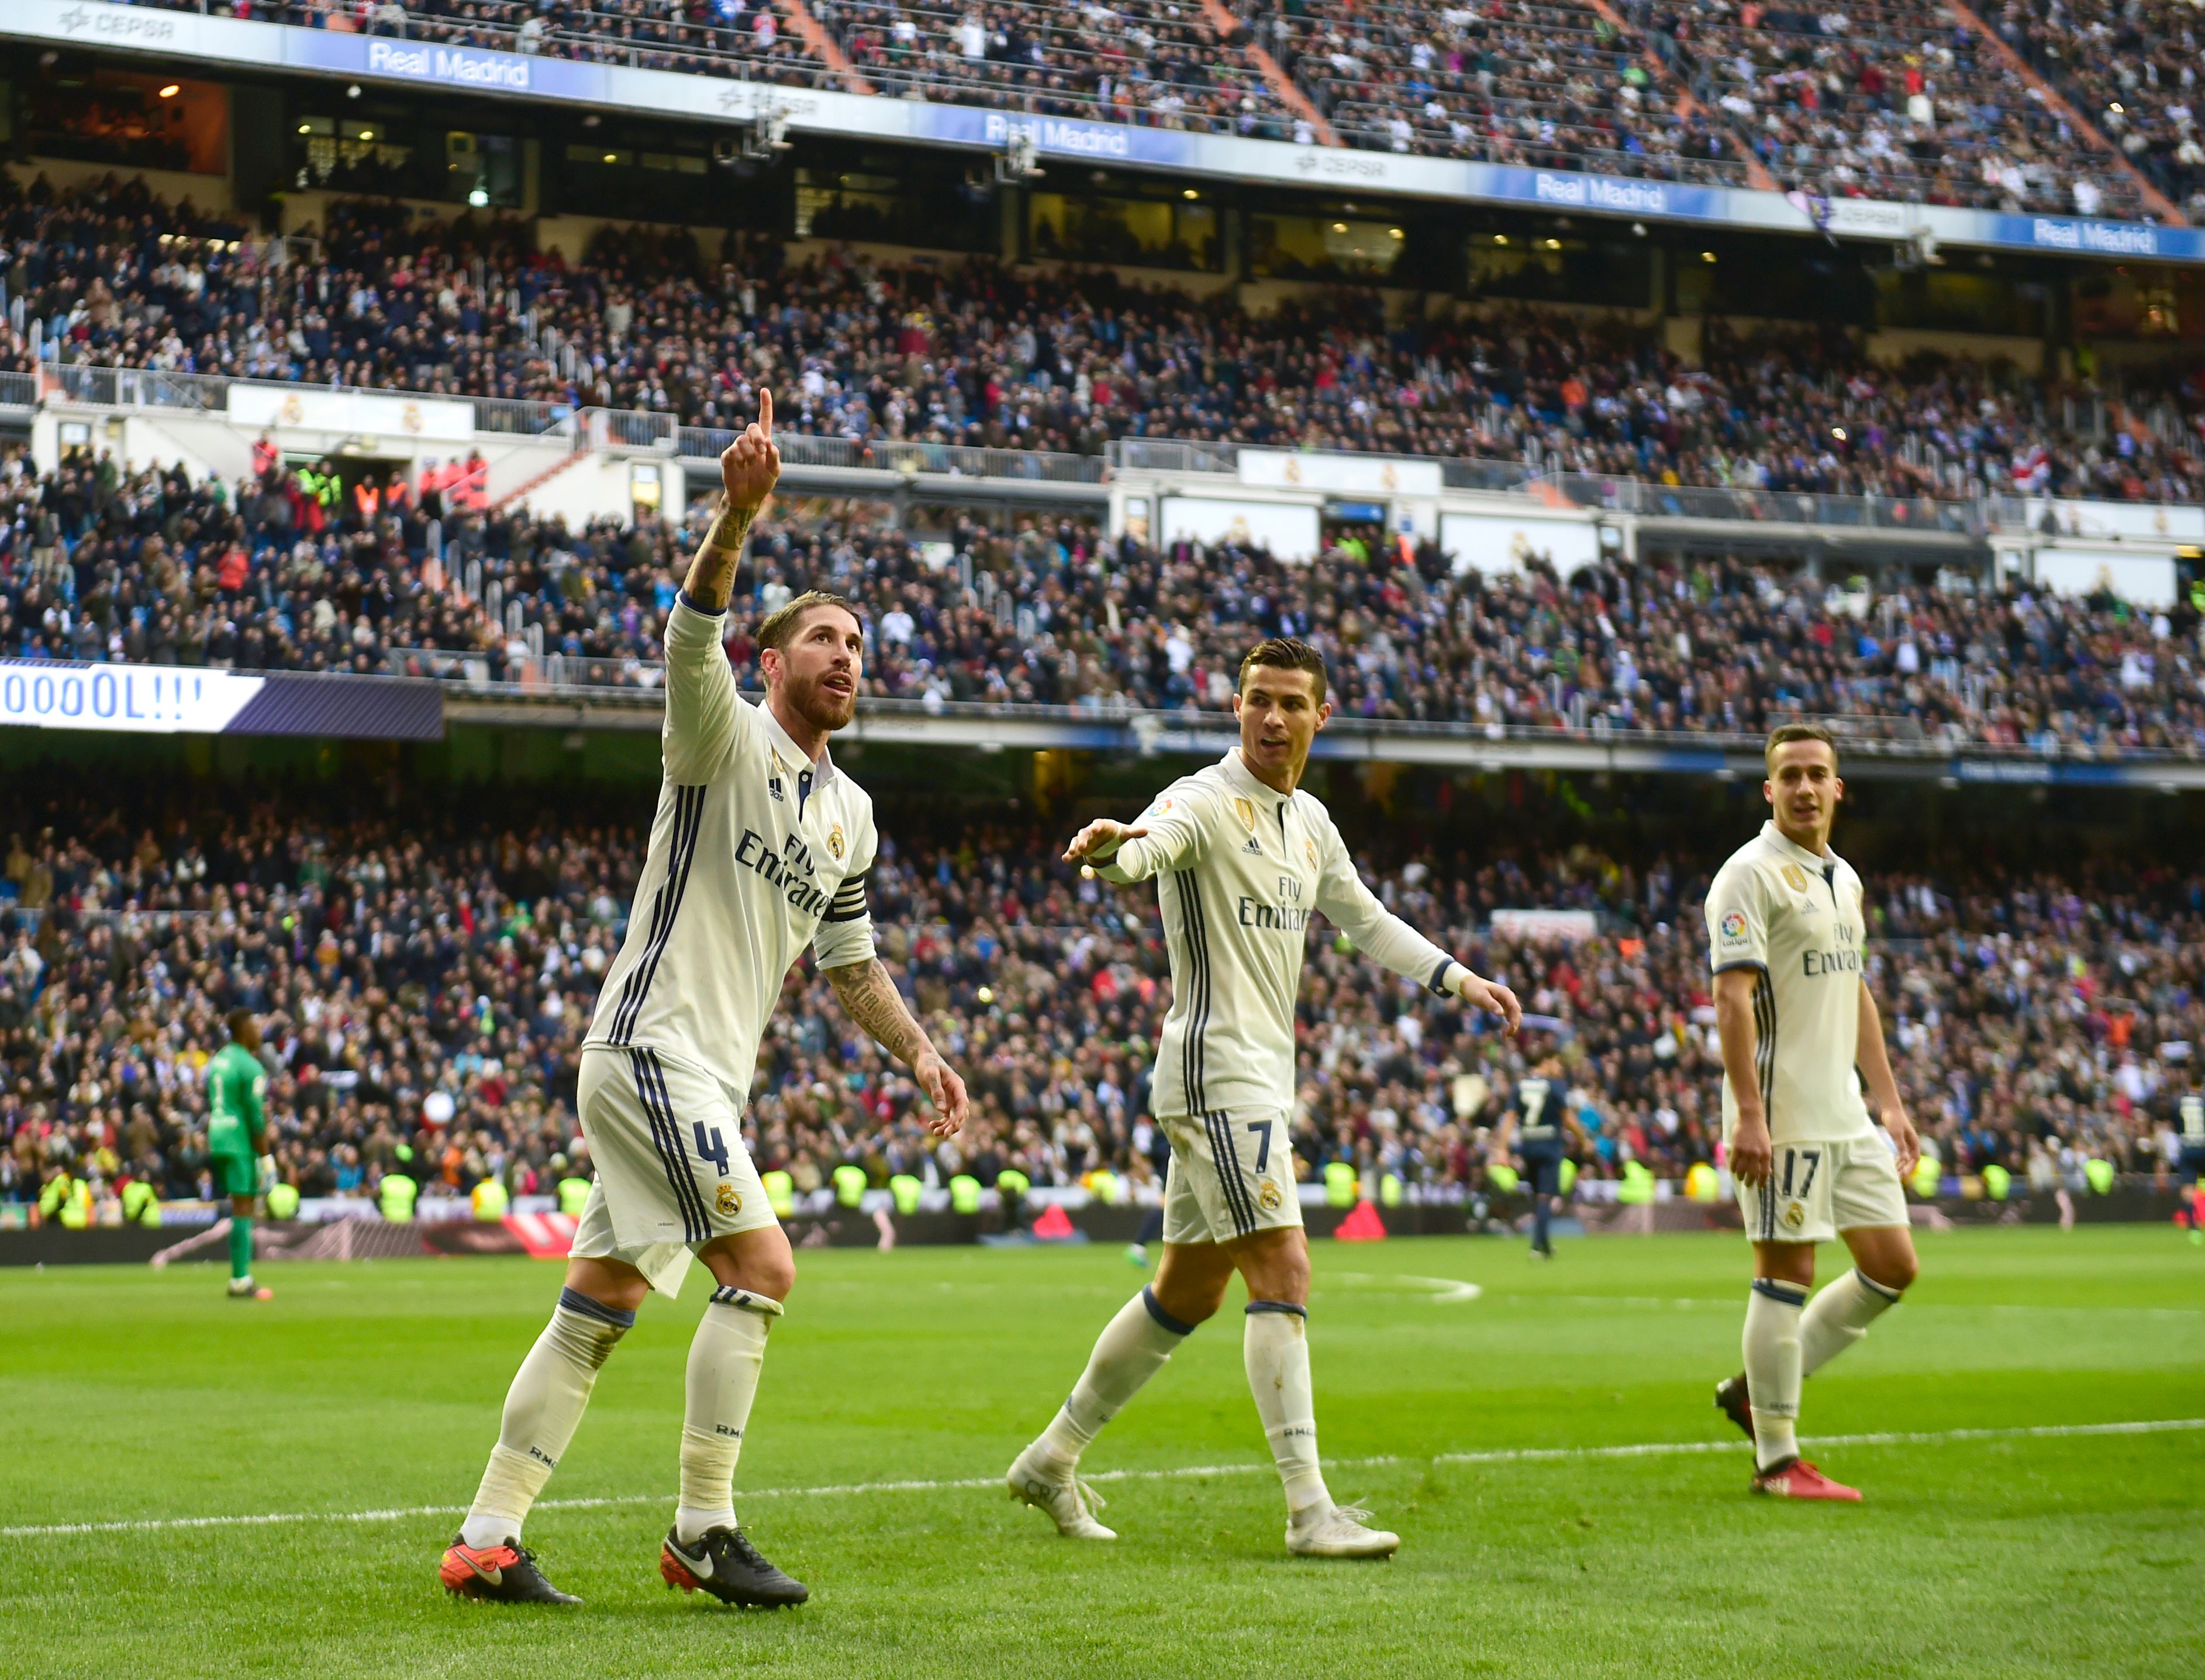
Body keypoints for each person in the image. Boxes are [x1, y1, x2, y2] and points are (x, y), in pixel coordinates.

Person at [439, 392, 970, 1608]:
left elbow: (850, 963)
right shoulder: (717, 733)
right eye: (823, 638)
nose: (847, 655)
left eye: (857, 642)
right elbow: (691, 628)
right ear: (773, 662)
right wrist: (735, 517)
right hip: (650, 1047)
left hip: (698, 1073)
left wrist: (922, 1054)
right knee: (763, 1263)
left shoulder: (852, 813)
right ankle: (703, 1527)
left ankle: (487, 1536)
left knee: (601, 1301)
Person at [1005, 638, 1521, 1558]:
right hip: (1216, 1074)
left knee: (1186, 1291)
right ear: (1234, 707)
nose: (1272, 718)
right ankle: (1307, 1510)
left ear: (1320, 715)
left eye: (1290, 703)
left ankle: (1051, 1457)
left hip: (1251, 1079)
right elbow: (1148, 848)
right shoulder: (1202, 799)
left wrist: (1456, 978)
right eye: (1256, 700)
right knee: (1283, 1271)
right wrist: (1111, 852)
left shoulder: (1310, 821)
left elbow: (1362, 917)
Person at [1704, 723, 1922, 1502]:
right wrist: (1751, 1117)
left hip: (1845, 1113)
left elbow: (1854, 990)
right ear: (1768, 790)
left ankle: (1753, 1389)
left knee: (1891, 1265)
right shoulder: (1745, 877)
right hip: (1782, 1114)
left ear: (1837, 788)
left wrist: (1889, 1102)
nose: (1802, 787)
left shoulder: (1843, 879)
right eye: (1788, 774)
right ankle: (1774, 1458)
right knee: (1784, 1272)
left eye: (1815, 774)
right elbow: (1730, 999)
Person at [1490, 1055, 1591, 1260]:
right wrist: (1584, 1139)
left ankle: (1544, 1244)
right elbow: (1567, 1117)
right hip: (1549, 1146)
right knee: (1546, 1196)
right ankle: (1537, 1245)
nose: (1559, 1068)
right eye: (1556, 1063)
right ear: (1546, 1062)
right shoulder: (1554, 1085)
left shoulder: (1519, 1086)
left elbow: (1510, 1118)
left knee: (1539, 1197)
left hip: (1528, 1146)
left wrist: (1502, 1148)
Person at [205, 1010, 274, 1302]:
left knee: (239, 1205)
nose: (259, 1032)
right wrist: (266, 1157)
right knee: (244, 1206)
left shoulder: (219, 1059)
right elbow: (256, 1117)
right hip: (237, 1139)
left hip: (216, 1132)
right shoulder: (251, 1066)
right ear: (243, 1030)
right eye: (255, 1027)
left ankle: (240, 1276)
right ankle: (240, 1279)